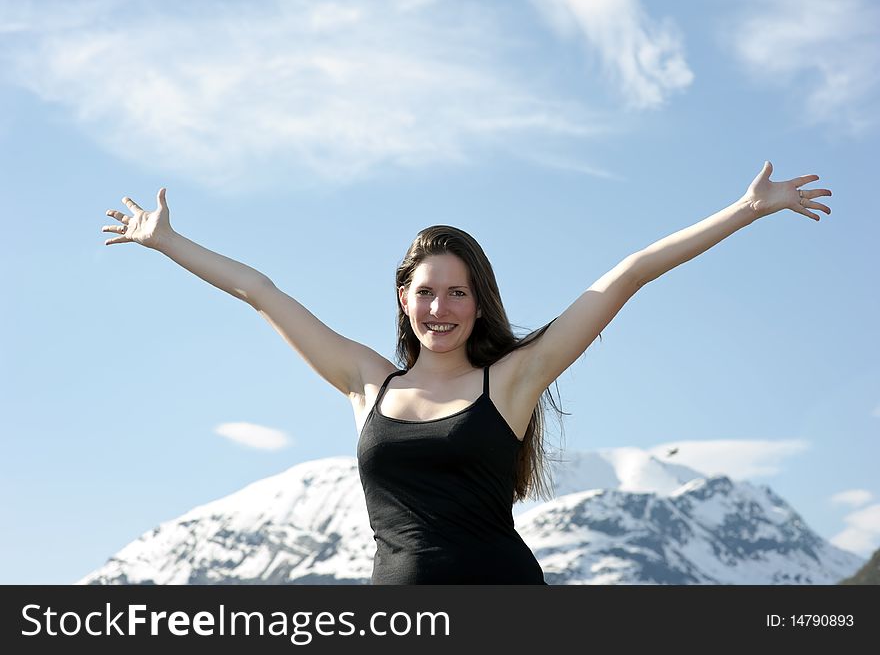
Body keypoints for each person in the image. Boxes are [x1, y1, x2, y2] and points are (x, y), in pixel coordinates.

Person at [101, 161, 831, 584]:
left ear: (478, 302)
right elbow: (260, 291)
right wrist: (169, 242)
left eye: (457, 292)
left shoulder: (512, 381)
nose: (440, 308)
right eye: (425, 291)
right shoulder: (366, 381)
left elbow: (628, 276)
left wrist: (744, 210)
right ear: (402, 298)